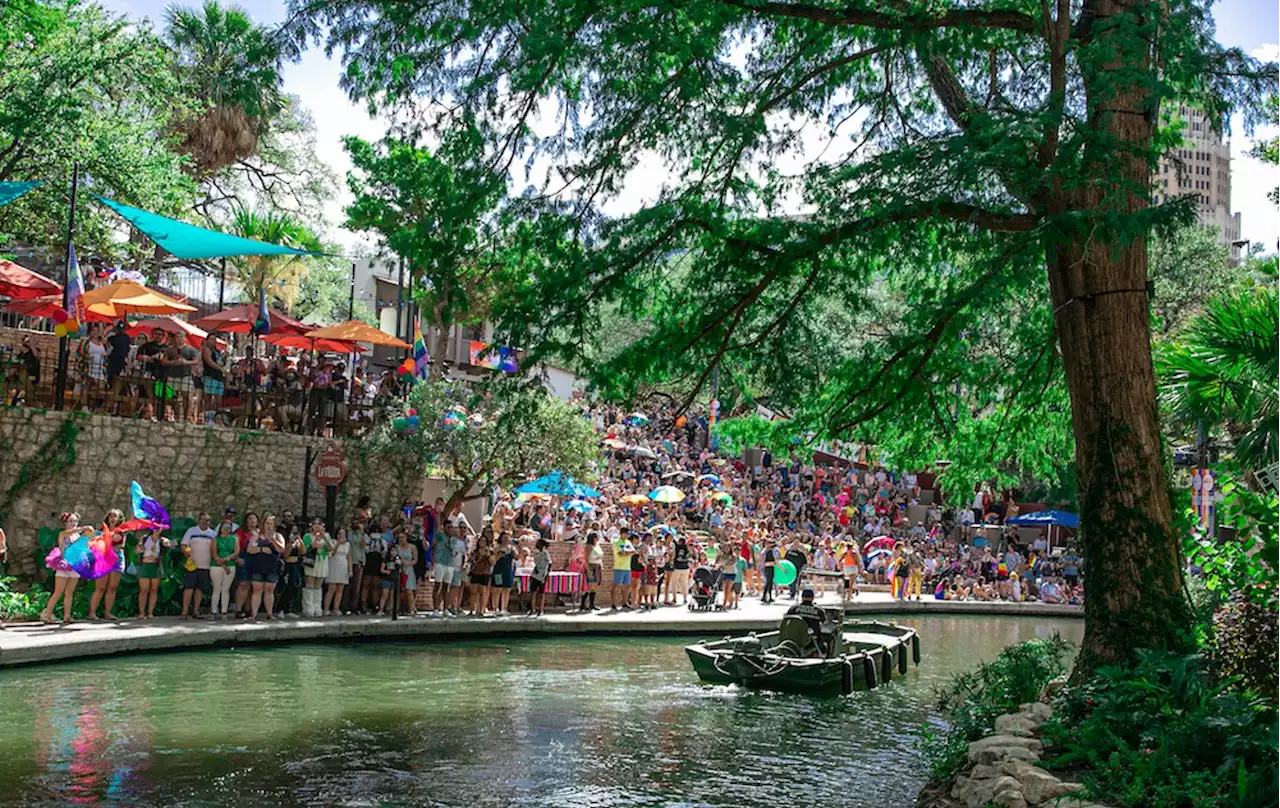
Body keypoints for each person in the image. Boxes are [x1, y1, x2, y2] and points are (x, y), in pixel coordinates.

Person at [40, 513, 93, 624]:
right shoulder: (63, 534)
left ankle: (67, 616)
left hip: (75, 566)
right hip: (64, 565)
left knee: (70, 592)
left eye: (75, 521)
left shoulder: (78, 536)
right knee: (58, 591)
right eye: (70, 521)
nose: (73, 523)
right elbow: (68, 534)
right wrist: (82, 528)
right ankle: (47, 615)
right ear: (65, 523)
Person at [87, 508, 126, 620]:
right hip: (104, 559)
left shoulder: (122, 531)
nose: (113, 518)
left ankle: (107, 613)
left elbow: (120, 545)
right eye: (111, 516)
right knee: (100, 587)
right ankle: (92, 613)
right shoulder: (101, 531)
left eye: (116, 516)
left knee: (112, 587)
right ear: (108, 518)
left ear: (119, 519)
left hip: (117, 558)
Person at [246, 514, 284, 620]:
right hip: (258, 566)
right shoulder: (257, 535)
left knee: (269, 590)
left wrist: (273, 540)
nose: (269, 526)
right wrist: (261, 549)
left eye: (271, 524)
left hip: (272, 567)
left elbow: (281, 549)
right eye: (267, 523)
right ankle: (253, 614)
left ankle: (269, 613)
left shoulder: (278, 536)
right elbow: (249, 549)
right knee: (257, 590)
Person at [180, 512, 217, 618]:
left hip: (205, 565)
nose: (205, 522)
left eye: (207, 520)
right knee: (188, 588)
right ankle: (185, 611)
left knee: (200, 589)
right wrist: (186, 553)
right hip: (192, 565)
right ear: (199, 520)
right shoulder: (191, 531)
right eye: (203, 519)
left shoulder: (213, 534)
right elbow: (183, 544)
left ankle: (196, 611)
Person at [136, 526, 168, 619]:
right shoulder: (145, 538)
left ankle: (150, 613)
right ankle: (141, 613)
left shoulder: (162, 540)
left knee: (154, 589)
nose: (157, 529)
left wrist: (167, 543)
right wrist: (140, 548)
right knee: (144, 589)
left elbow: (172, 545)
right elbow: (137, 551)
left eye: (159, 527)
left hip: (155, 566)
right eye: (155, 527)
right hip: (145, 564)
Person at [302, 518, 332, 617]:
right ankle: (308, 608)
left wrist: (324, 538)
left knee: (318, 586)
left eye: (319, 524)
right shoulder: (307, 536)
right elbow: (304, 549)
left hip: (322, 561)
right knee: (309, 584)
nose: (317, 526)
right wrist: (313, 544)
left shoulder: (326, 536)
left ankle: (317, 608)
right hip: (311, 561)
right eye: (315, 524)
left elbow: (330, 548)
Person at [210, 519, 239, 617]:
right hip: (216, 566)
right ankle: (214, 610)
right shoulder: (215, 539)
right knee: (216, 588)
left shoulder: (234, 539)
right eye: (224, 527)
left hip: (230, 564)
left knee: (226, 589)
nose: (226, 529)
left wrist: (226, 559)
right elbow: (214, 554)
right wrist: (223, 565)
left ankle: (224, 611)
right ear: (220, 528)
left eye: (229, 527)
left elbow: (236, 552)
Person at [323, 527, 352, 616]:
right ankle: (326, 609)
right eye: (339, 533)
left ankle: (336, 608)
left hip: (343, 566)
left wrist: (350, 570)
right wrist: (338, 543)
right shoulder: (333, 542)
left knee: (340, 589)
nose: (341, 535)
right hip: (334, 564)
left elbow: (349, 557)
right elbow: (332, 553)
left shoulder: (348, 544)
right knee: (331, 588)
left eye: (343, 534)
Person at [201, 332, 228, 425]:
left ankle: (213, 415)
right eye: (212, 339)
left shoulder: (216, 351)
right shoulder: (206, 350)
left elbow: (219, 362)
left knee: (218, 398)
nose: (214, 342)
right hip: (210, 375)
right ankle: (208, 418)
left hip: (218, 376)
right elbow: (209, 362)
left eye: (215, 340)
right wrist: (221, 369)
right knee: (208, 397)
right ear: (207, 340)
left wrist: (224, 358)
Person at [490, 533, 516, 615]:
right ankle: (495, 608)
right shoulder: (497, 548)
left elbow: (517, 557)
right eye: (504, 537)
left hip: (508, 571)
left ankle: (504, 608)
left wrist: (515, 549)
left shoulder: (512, 548)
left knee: (506, 590)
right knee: (497, 590)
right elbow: (493, 560)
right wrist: (498, 555)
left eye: (507, 538)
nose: (506, 539)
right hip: (498, 571)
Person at [396, 529, 419, 616]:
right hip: (400, 570)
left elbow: (415, 560)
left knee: (409, 590)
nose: (401, 539)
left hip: (409, 569)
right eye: (399, 538)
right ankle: (397, 609)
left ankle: (412, 608)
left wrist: (408, 563)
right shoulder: (397, 547)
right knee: (400, 591)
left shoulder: (412, 547)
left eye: (402, 537)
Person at [528, 538, 551, 616]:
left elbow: (549, 564)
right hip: (535, 574)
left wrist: (547, 574)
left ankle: (541, 609)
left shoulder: (545, 553)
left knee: (541, 593)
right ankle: (532, 608)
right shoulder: (536, 553)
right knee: (533, 592)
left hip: (542, 575)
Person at [666, 533, 691, 606]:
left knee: (674, 584)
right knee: (684, 584)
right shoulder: (686, 549)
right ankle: (685, 598)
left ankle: (674, 598)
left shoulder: (676, 547)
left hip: (677, 567)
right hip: (685, 568)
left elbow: (673, 542)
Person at [761, 539, 778, 604]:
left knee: (769, 583)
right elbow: (773, 562)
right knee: (768, 583)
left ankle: (768, 597)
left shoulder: (768, 551)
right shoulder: (769, 552)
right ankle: (765, 597)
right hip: (769, 568)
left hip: (770, 568)